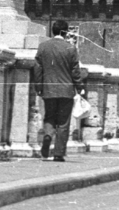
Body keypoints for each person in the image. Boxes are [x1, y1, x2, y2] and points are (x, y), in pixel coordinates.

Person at [32, 19, 81, 162]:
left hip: (49, 89)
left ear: (52, 31)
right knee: (63, 122)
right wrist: (80, 87)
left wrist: (39, 87)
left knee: (49, 117)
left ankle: (48, 134)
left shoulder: (43, 47)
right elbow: (75, 71)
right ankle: (59, 153)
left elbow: (38, 69)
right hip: (66, 91)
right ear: (66, 33)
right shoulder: (71, 48)